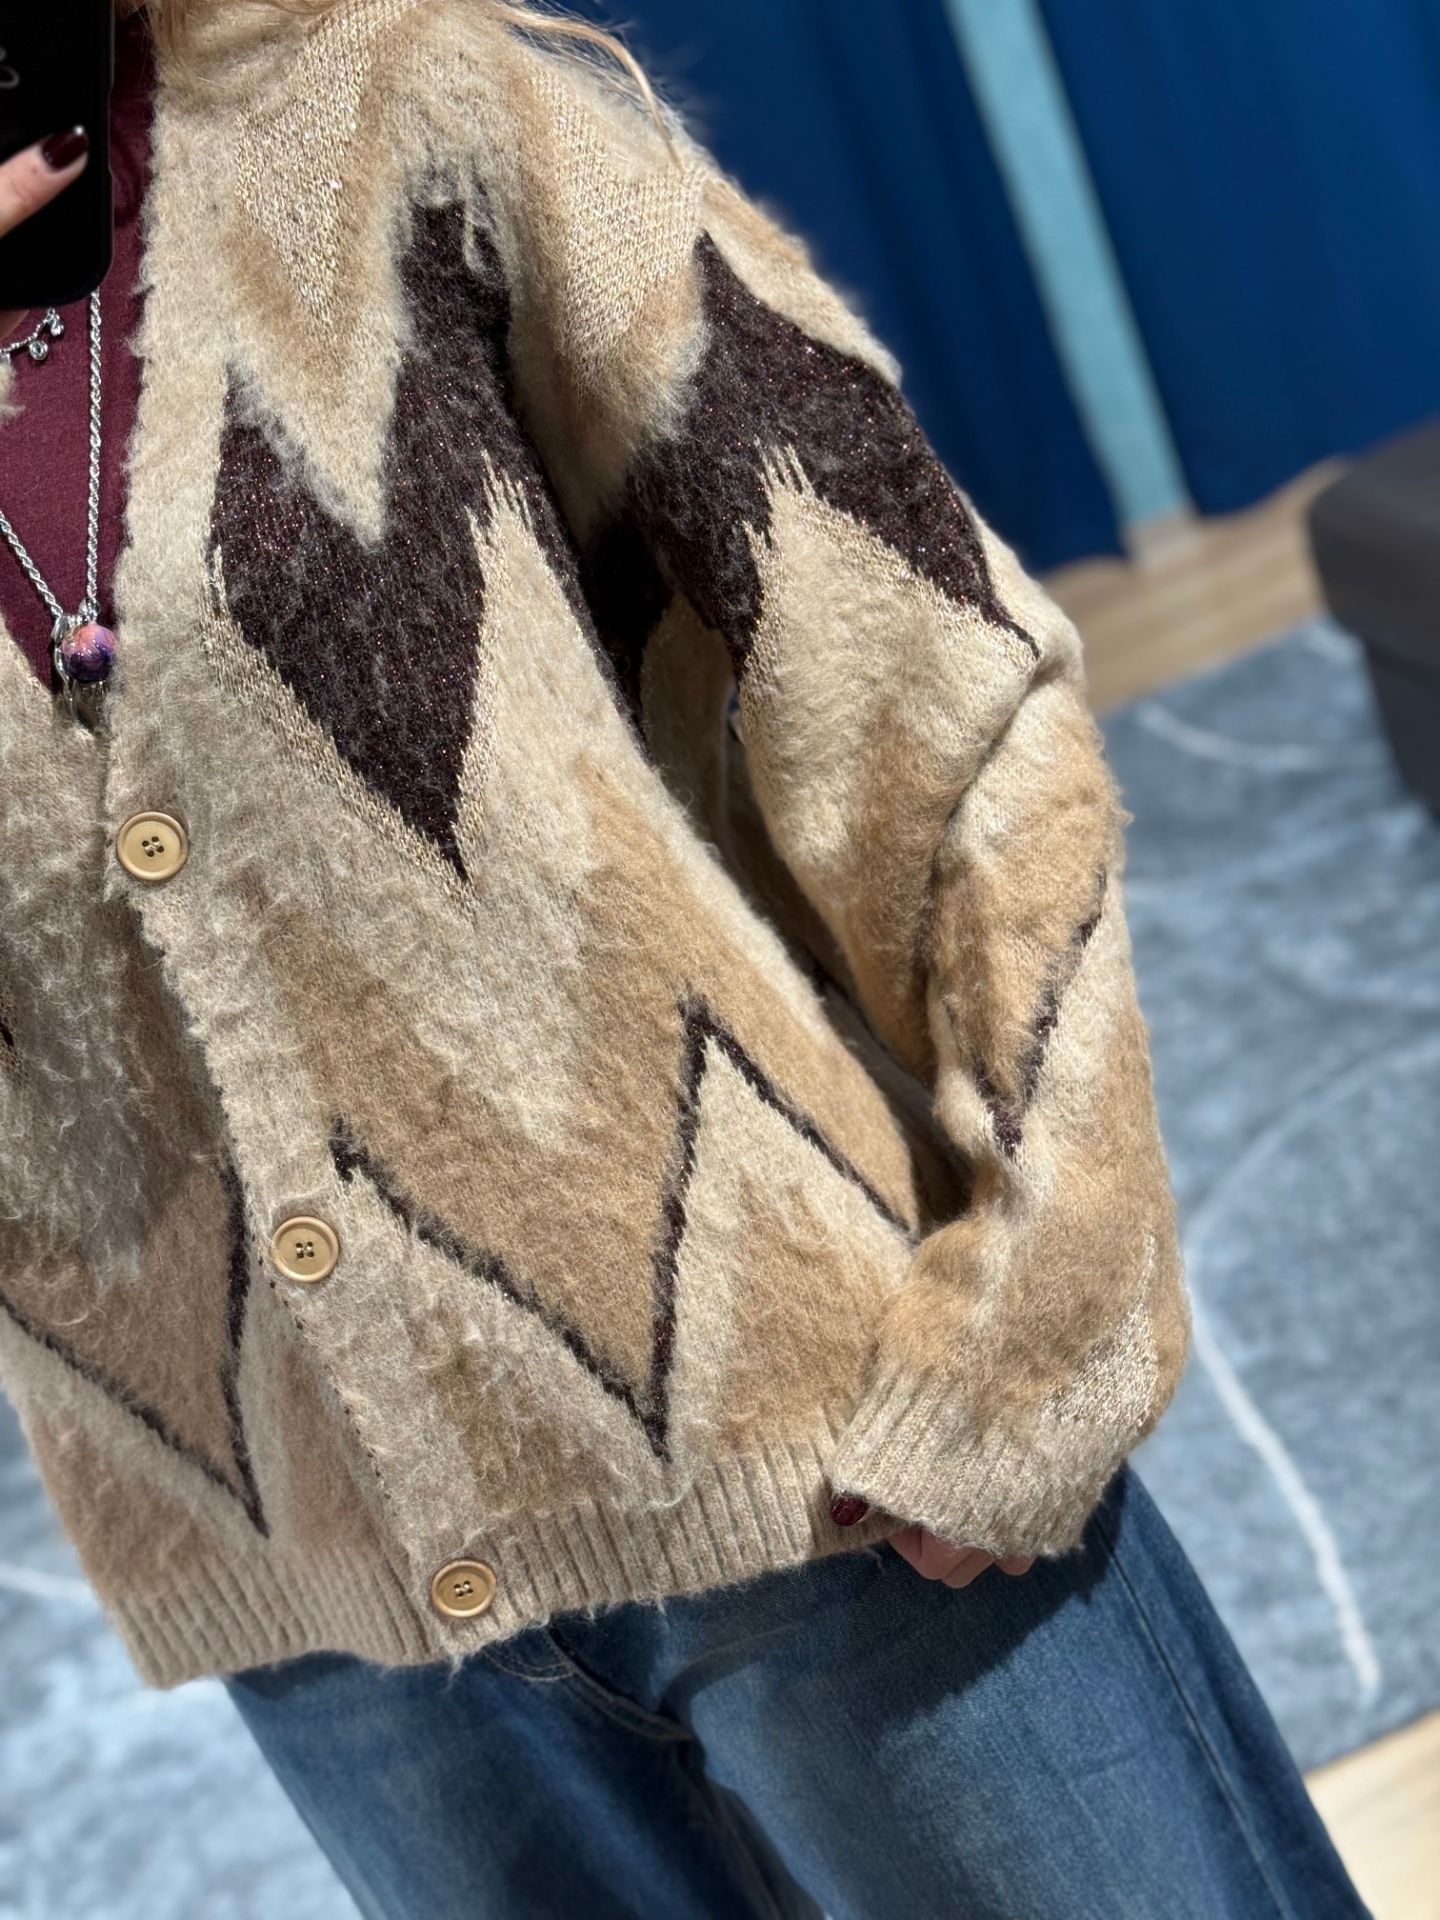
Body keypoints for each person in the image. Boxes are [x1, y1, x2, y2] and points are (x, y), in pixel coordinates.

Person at [0, 3, 1369, 1915]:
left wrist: (1045, 1309)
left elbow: (925, 685)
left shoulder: (406, 106)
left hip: (816, 1474)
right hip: (339, 1638)